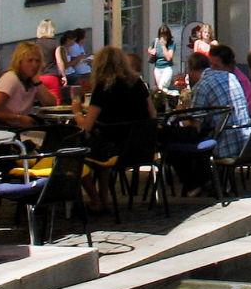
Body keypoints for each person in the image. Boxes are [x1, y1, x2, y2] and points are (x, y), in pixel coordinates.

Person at [75, 45, 150, 208]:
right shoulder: (138, 83)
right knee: (101, 146)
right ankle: (104, 198)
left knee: (72, 154)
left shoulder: (103, 87)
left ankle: (95, 199)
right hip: (139, 147)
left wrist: (76, 112)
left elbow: (86, 126)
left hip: (111, 149)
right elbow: (152, 114)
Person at [0, 43, 56, 131]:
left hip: (20, 129)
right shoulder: (11, 79)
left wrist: (37, 82)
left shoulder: (31, 82)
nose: (34, 65)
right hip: (4, 131)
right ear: (19, 62)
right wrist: (18, 118)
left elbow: (51, 104)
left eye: (37, 61)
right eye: (30, 60)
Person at [209, 44, 251, 120]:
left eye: (216, 66)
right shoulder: (213, 79)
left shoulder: (241, 82)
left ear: (229, 66)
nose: (212, 69)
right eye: (210, 65)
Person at [147, 27, 177, 94]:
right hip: (157, 68)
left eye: (165, 35)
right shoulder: (156, 41)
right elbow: (149, 49)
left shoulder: (171, 43)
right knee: (160, 90)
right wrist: (151, 51)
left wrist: (163, 46)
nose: (163, 37)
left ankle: (167, 101)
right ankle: (163, 102)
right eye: (161, 35)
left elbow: (169, 58)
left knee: (161, 86)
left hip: (167, 68)